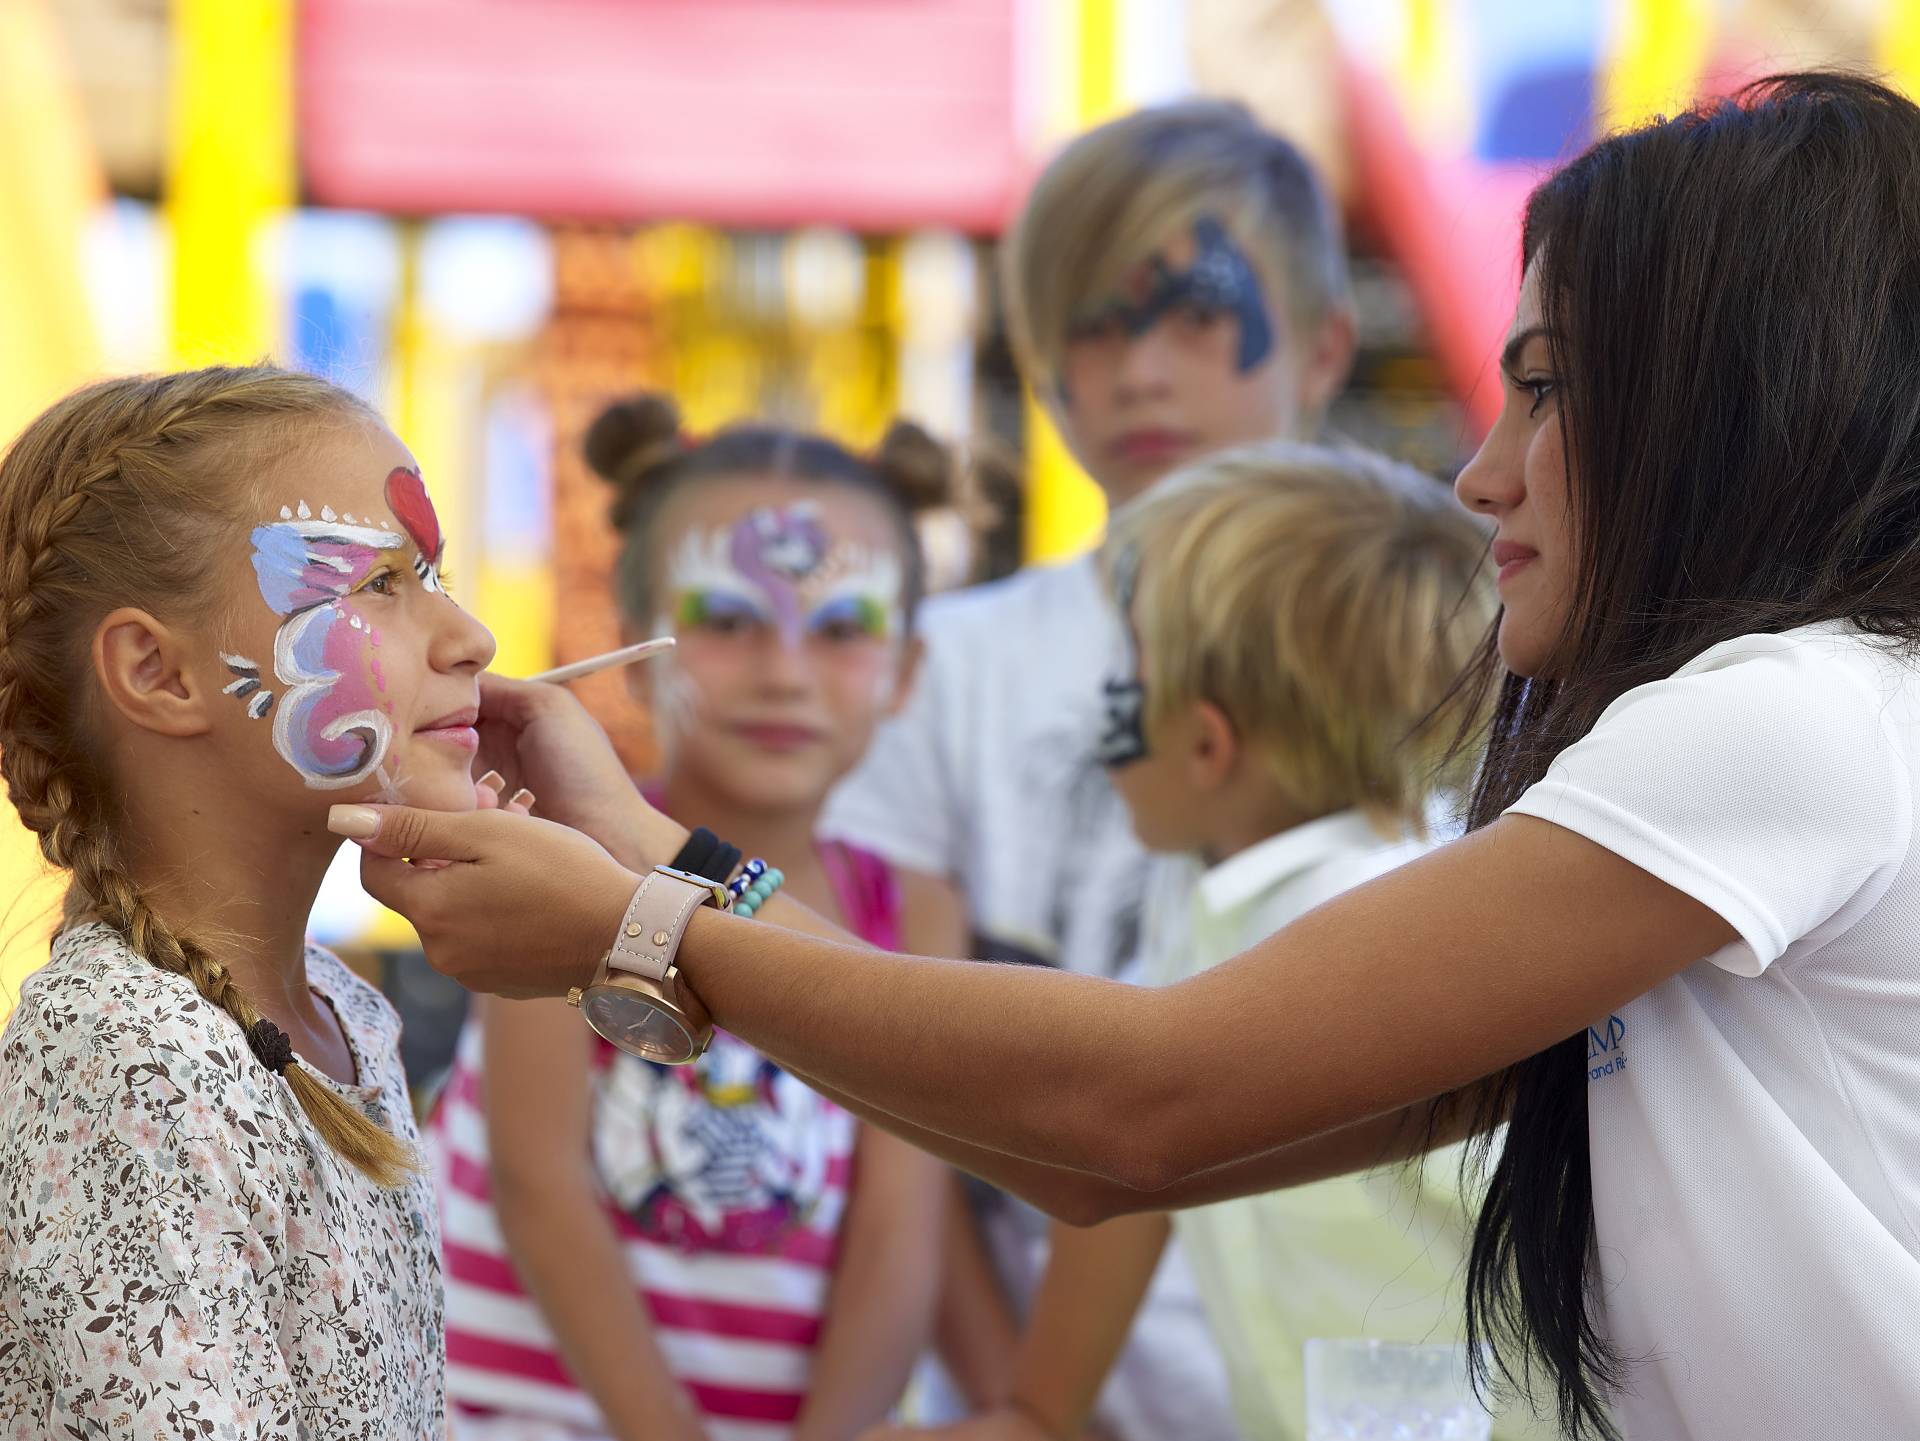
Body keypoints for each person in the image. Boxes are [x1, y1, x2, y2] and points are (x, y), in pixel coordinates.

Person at [340, 72, 1920, 1440]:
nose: (1479, 473)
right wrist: (649, 849)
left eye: (1546, 389)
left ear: (1730, 409)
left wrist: (635, 923)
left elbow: (1139, 1103)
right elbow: (1094, 1156)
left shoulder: (1789, 717)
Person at [820, 97, 1356, 1438]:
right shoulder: (944, 665)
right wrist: (1031, 1403)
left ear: (1328, 345)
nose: (1141, 374)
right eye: (1096, 327)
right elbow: (901, 1086)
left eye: (1193, 317)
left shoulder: (1457, 650)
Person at [861, 441, 1511, 1441]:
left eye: (1129, 667)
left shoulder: (1380, 928)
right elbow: (1129, 1175)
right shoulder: (1212, 917)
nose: (1098, 708)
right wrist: (1040, 1410)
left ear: (1207, 744)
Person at [434, 394, 956, 1441]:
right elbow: (541, 1187)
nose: (784, 671)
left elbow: (902, 1229)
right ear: (635, 635)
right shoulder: (565, 844)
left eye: (845, 628)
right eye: (726, 619)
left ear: (905, 668)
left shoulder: (917, 909)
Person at [0, 365, 507, 1434]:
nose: (470, 639)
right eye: (379, 586)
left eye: (432, 575)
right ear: (158, 671)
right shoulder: (122, 1056)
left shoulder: (345, 1016)